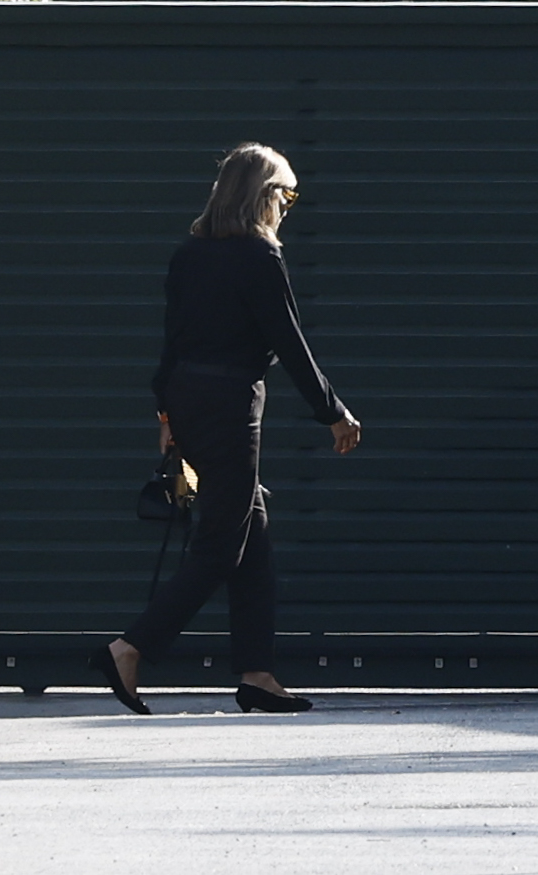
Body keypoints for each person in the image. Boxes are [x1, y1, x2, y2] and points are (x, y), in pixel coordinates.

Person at [90, 142, 362, 715]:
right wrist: (332, 412)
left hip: (189, 399)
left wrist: (166, 416)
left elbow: (172, 344)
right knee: (221, 544)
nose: (290, 204)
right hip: (231, 401)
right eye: (287, 193)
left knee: (251, 533)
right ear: (264, 197)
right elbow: (289, 343)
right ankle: (130, 648)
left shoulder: (189, 254)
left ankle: (257, 673)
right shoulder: (259, 257)